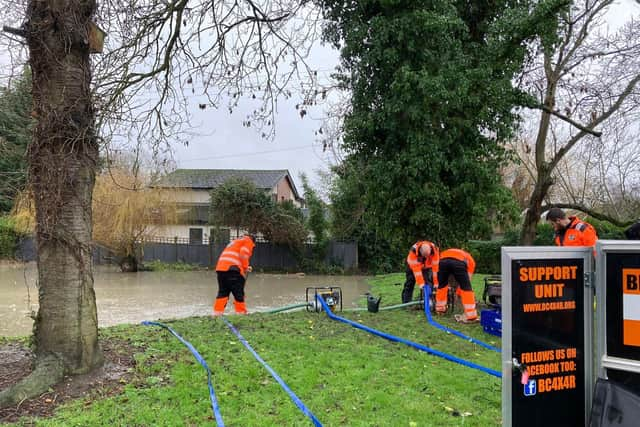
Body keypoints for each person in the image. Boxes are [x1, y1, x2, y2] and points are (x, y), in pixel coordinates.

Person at [213, 234, 256, 316]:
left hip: (221, 269)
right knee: (238, 292)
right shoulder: (248, 241)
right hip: (233, 270)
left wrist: (244, 267)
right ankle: (241, 313)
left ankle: (217, 313)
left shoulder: (235, 242)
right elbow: (243, 253)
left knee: (223, 292)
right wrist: (246, 267)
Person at [435, 248, 478, 323]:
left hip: (442, 262)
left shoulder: (448, 251)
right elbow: (468, 279)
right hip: (458, 263)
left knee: (442, 286)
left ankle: (440, 310)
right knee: (466, 288)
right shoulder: (471, 261)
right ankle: (471, 316)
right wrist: (459, 292)